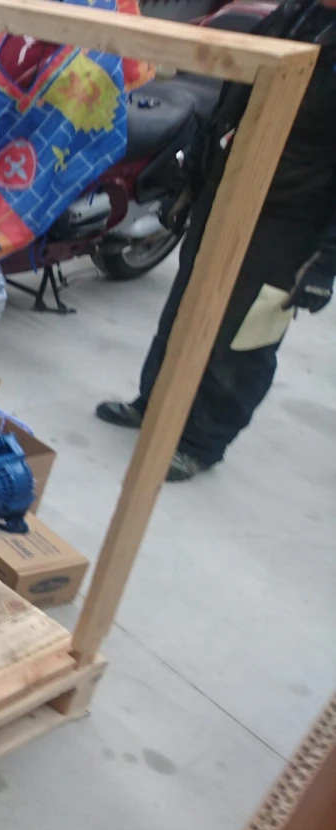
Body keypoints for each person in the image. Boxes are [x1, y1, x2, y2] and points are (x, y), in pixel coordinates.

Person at [95, 0, 336, 481]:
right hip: (228, 190)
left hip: (290, 222)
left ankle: (201, 442)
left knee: (243, 336)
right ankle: (156, 405)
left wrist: (326, 262)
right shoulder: (296, 16)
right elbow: (234, 97)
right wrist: (195, 177)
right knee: (186, 307)